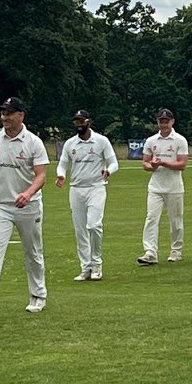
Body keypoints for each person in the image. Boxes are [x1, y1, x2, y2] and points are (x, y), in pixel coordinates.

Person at [0, 96, 49, 317]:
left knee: (32, 252)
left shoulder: (33, 142)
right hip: (0, 206)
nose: (5, 117)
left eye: (10, 113)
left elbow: (41, 175)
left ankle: (38, 295)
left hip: (28, 206)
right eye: (3, 113)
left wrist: (28, 193)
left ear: (21, 115)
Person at [56, 110, 118, 281]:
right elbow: (62, 165)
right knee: (80, 230)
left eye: (81, 121)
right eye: (76, 122)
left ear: (89, 122)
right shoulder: (70, 144)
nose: (79, 125)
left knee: (94, 226)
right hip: (76, 189)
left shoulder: (101, 141)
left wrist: (108, 171)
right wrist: (61, 175)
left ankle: (97, 264)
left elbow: (114, 163)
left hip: (96, 187)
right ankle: (86, 267)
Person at [137, 109, 189, 265]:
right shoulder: (151, 141)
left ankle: (176, 250)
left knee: (176, 220)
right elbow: (145, 163)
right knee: (151, 218)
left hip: (174, 187)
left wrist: (163, 163)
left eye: (166, 121)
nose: (164, 124)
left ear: (172, 122)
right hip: (155, 187)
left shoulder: (180, 140)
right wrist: (151, 166)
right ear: (158, 122)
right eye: (161, 121)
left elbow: (182, 164)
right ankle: (150, 252)